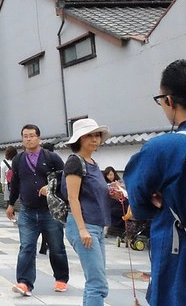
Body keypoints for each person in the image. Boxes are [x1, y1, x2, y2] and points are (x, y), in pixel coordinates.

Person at [125, 59, 186, 306]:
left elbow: (139, 204)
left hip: (183, 254)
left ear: (169, 100)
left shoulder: (165, 148)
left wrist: (159, 200)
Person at [61, 118, 122, 306]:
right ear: (79, 139)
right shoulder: (75, 162)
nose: (95, 139)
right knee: (98, 283)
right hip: (84, 226)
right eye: (89, 135)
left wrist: (111, 192)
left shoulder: (92, 162)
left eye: (97, 135)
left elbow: (93, 194)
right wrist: (82, 229)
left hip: (95, 227)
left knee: (95, 282)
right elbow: (73, 198)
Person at [6, 124, 69, 297]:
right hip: (27, 210)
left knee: (56, 247)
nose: (28, 139)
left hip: (50, 211)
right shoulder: (18, 160)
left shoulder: (51, 158)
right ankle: (24, 283)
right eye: (25, 136)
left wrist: (49, 186)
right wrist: (11, 204)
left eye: (32, 135)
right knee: (26, 247)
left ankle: (61, 278)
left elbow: (64, 178)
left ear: (39, 138)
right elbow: (16, 183)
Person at [103, 166, 127, 233]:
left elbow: (125, 193)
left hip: (120, 202)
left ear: (114, 174)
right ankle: (106, 227)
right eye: (107, 175)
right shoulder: (105, 184)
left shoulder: (120, 182)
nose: (109, 177)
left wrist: (118, 186)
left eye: (111, 174)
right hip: (110, 202)